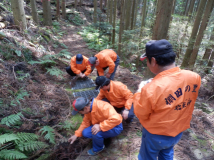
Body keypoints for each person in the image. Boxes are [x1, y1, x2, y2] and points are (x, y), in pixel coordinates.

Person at [133, 39, 201, 160]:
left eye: (147, 61)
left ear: (153, 61)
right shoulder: (194, 77)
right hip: (178, 130)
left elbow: (141, 113)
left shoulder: (151, 88)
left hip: (156, 134)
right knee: (167, 152)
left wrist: (139, 91)